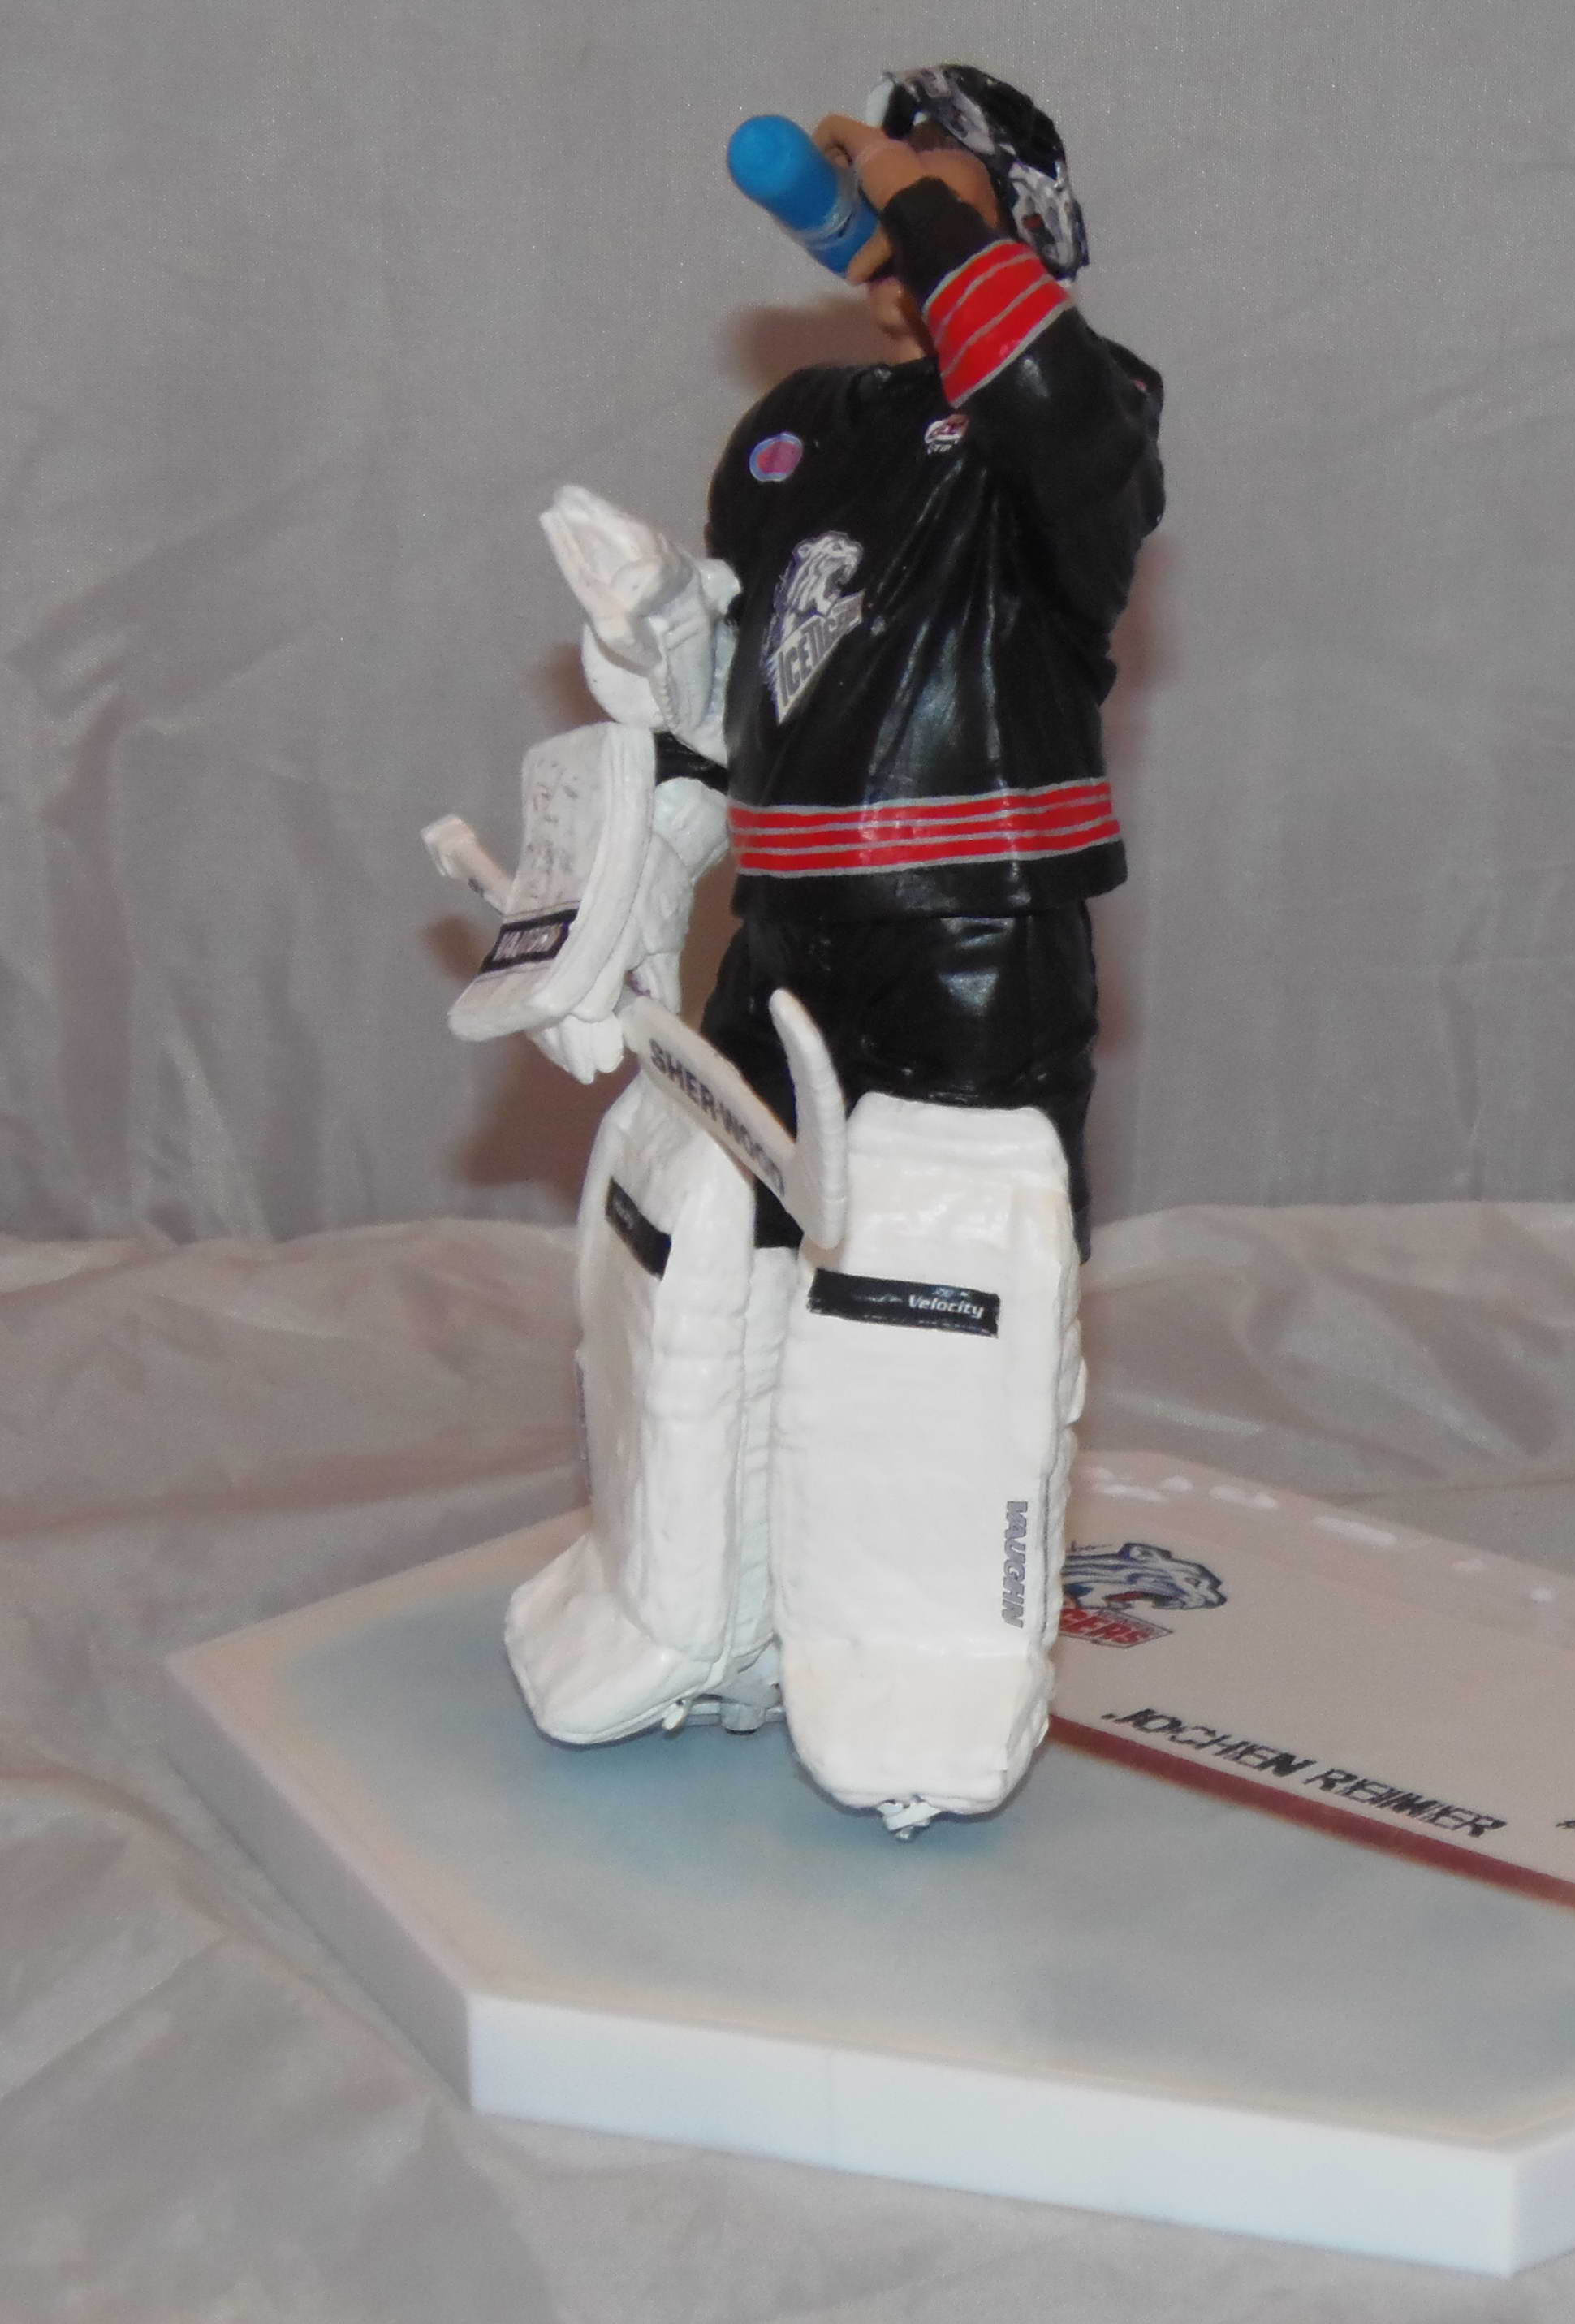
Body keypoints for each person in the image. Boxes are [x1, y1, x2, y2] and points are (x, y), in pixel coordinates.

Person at [484, 67, 1163, 1836]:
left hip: (969, 942)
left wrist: (937, 211)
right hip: (779, 935)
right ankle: (680, 1610)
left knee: (932, 1295)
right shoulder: (792, 429)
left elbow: (1049, 403)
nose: (885, 238)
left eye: (942, 192)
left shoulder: (1077, 417)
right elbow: (729, 712)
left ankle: (916, 1675)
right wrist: (615, 899)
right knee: (691, 1248)